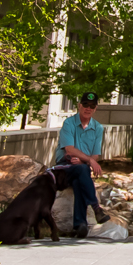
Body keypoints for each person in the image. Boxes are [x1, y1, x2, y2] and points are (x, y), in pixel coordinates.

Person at [54, 95, 110, 237]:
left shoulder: (97, 128)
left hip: (81, 168)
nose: (88, 108)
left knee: (80, 177)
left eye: (92, 106)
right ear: (79, 105)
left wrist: (85, 161)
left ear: (95, 108)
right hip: (65, 167)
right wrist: (89, 161)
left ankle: (80, 225)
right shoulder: (69, 123)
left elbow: (95, 154)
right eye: (85, 104)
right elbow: (69, 150)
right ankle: (96, 207)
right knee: (83, 170)